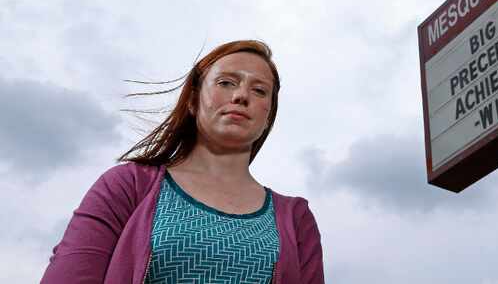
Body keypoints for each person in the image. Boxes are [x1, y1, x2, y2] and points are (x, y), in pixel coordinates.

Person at [41, 40, 324, 283]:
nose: (241, 96)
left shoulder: (295, 219)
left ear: (267, 117)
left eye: (260, 90)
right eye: (226, 83)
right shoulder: (127, 185)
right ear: (192, 100)